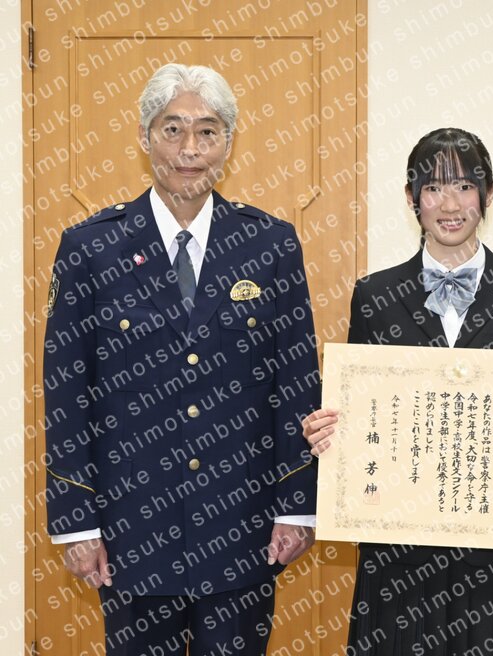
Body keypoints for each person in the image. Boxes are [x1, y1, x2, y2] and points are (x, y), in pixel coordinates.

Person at [43, 63, 319, 655]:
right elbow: (67, 394)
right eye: (173, 130)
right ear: (145, 138)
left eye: (207, 131)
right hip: (131, 533)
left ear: (228, 142)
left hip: (243, 530)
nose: (189, 149)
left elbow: (297, 384)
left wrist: (298, 506)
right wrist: (77, 521)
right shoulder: (91, 248)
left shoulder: (270, 244)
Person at [302, 127, 493, 655]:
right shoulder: (375, 295)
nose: (450, 204)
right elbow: (363, 414)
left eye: (465, 186)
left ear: (488, 194)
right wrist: (330, 433)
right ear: (411, 198)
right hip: (399, 560)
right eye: (433, 188)